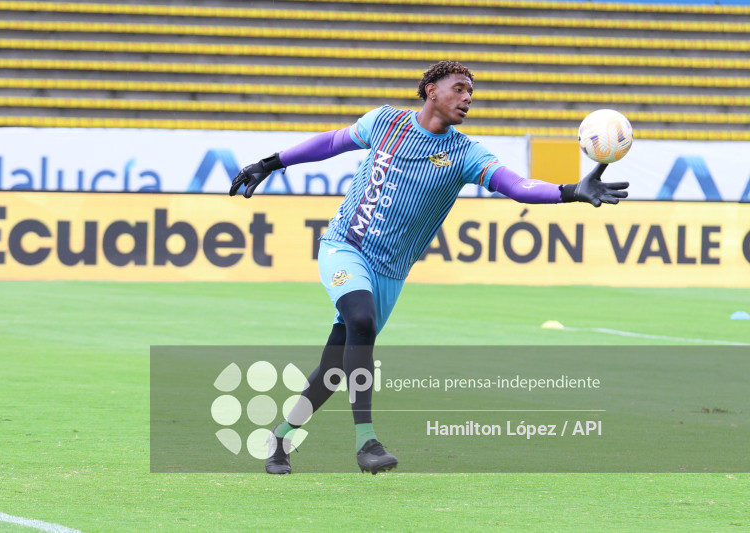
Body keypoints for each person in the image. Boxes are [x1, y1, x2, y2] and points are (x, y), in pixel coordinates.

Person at [230, 61, 628, 475]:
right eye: (459, 88)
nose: (468, 97)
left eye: (471, 91)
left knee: (335, 366)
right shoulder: (385, 122)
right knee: (361, 321)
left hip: (390, 272)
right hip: (344, 246)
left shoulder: (465, 153)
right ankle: (366, 442)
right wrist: (270, 163)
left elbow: (516, 186)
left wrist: (569, 192)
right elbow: (332, 142)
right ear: (430, 90)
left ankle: (279, 438)